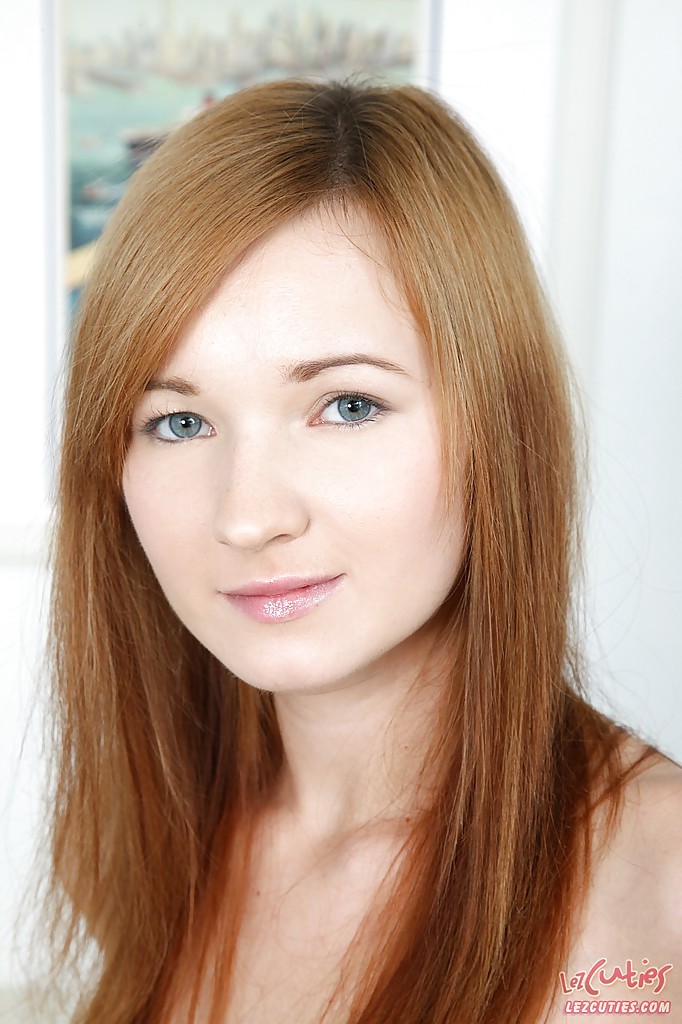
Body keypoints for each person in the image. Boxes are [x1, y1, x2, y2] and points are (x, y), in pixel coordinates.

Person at [43, 79, 682, 1023]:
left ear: (499, 426)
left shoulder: (660, 886)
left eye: (347, 406)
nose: (247, 517)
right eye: (178, 421)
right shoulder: (128, 854)